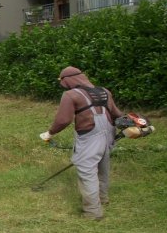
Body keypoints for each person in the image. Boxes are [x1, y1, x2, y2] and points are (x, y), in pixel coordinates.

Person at [39, 66, 123, 221]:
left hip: (89, 136)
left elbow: (63, 120)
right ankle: (103, 199)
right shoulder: (104, 91)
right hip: (107, 134)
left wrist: (49, 133)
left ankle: (92, 212)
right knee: (103, 168)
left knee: (87, 171)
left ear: (68, 80)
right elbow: (117, 114)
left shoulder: (70, 95)